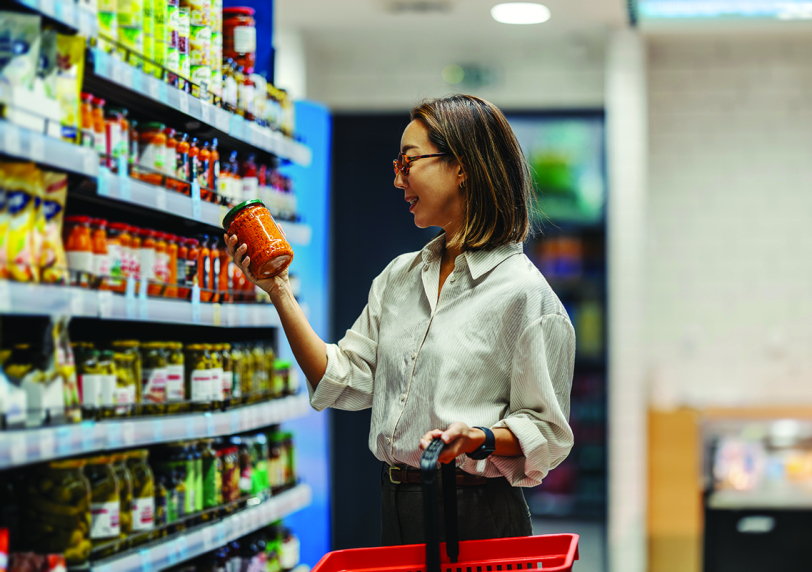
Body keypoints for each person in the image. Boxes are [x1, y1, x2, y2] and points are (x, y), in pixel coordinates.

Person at [226, 94, 575, 544]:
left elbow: (547, 431)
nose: (398, 180)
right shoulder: (399, 278)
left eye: (407, 163)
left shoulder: (525, 297)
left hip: (478, 515)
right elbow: (340, 379)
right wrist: (277, 290)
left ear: (462, 166)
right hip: (397, 507)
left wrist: (479, 438)